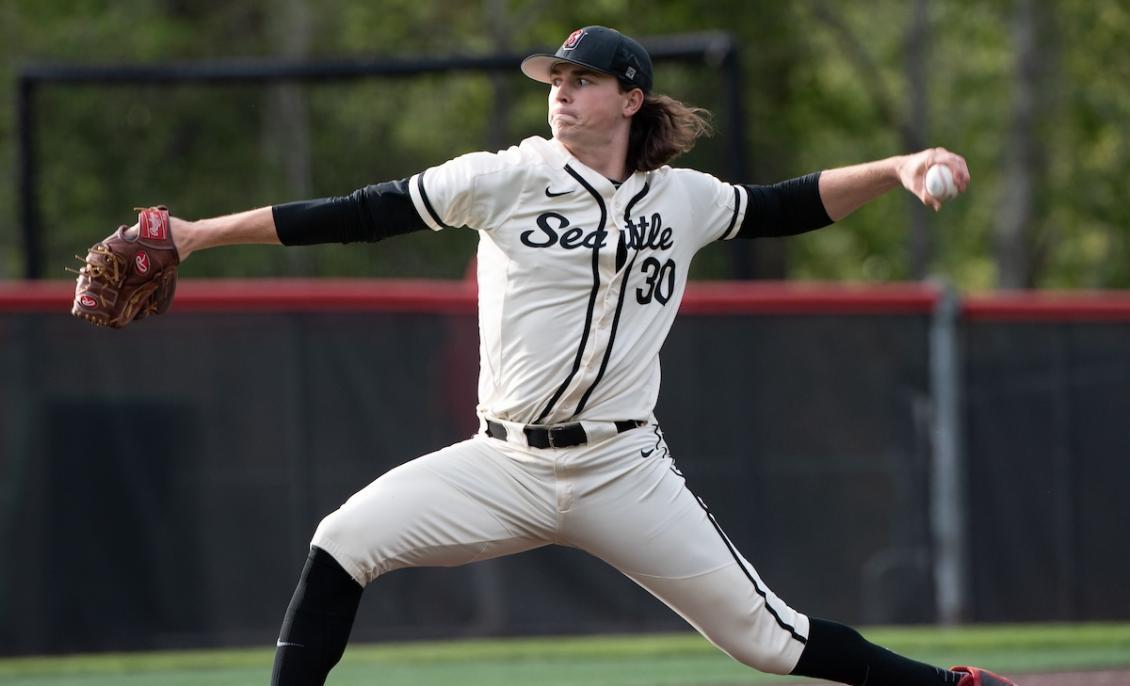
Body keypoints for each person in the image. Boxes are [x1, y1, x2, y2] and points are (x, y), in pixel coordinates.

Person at [144, 25, 1011, 686]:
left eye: (583, 79)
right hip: (499, 461)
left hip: (621, 467)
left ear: (630, 99)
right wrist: (197, 236)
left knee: (767, 639)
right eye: (556, 79)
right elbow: (360, 212)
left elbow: (785, 205)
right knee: (341, 541)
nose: (561, 93)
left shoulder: (684, 200)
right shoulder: (504, 177)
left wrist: (897, 164)